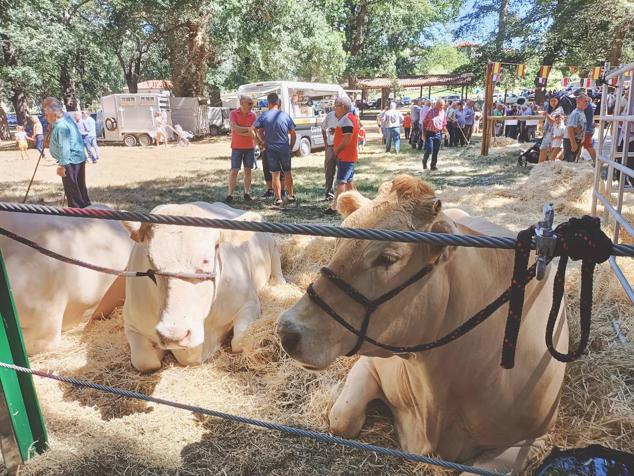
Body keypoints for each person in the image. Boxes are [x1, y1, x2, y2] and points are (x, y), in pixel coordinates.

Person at [43, 97, 90, 208]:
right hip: (77, 159)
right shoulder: (66, 121)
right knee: (79, 189)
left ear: (53, 113)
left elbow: (64, 147)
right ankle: (87, 210)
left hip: (70, 162)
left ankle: (77, 217)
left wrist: (62, 166)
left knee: (73, 192)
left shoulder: (61, 126)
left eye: (46, 114)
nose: (45, 117)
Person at [254, 92, 296, 206]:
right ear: (278, 103)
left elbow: (256, 129)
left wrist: (262, 141)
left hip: (271, 148)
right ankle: (291, 195)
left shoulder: (264, 116)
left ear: (268, 103)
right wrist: (290, 147)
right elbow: (293, 133)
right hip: (284, 147)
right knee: (287, 172)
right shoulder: (285, 116)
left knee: (275, 174)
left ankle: (278, 198)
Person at [325, 96, 359, 215]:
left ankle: (336, 207)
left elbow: (347, 138)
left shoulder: (347, 119)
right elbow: (346, 133)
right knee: (348, 181)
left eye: (336, 106)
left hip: (345, 155)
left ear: (343, 107)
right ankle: (357, 202)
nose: (335, 109)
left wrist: (336, 150)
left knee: (341, 182)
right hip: (347, 155)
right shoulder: (348, 118)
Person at [226, 94, 257, 203]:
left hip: (249, 147)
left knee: (248, 170)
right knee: (234, 171)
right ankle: (230, 194)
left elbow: (254, 133)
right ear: (242, 103)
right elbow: (234, 128)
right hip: (236, 147)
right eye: (249, 103)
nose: (251, 105)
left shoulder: (253, 115)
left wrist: (243, 130)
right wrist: (248, 130)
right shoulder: (233, 113)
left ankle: (247, 193)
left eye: (252, 103)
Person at [421, 99, 448, 171]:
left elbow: (444, 124)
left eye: (443, 106)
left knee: (436, 151)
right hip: (429, 133)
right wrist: (423, 134)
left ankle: (433, 165)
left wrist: (447, 133)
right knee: (430, 149)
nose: (442, 107)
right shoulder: (430, 112)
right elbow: (424, 123)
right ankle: (424, 160)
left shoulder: (443, 113)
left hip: (438, 133)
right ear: (436, 105)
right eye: (440, 106)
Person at [321, 104, 339, 200]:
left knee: (342, 172)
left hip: (342, 147)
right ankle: (329, 193)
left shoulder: (347, 117)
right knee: (329, 171)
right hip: (331, 147)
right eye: (336, 106)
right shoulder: (330, 115)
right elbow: (323, 128)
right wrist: (326, 143)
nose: (336, 108)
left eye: (339, 106)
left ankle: (341, 194)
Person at [563, 93, 588, 163]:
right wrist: (573, 143)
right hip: (570, 140)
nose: (587, 103)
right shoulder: (576, 113)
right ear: (578, 102)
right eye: (585, 101)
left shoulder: (581, 112)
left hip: (577, 140)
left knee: (571, 162)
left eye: (587, 101)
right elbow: (570, 128)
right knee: (568, 164)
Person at [538, 96, 564, 163]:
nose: (553, 102)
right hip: (551, 132)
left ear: (558, 101)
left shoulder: (559, 110)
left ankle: (540, 166)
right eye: (551, 101)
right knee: (554, 151)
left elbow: (553, 121)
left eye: (555, 101)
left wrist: (546, 114)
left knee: (543, 148)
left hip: (553, 133)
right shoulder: (553, 110)